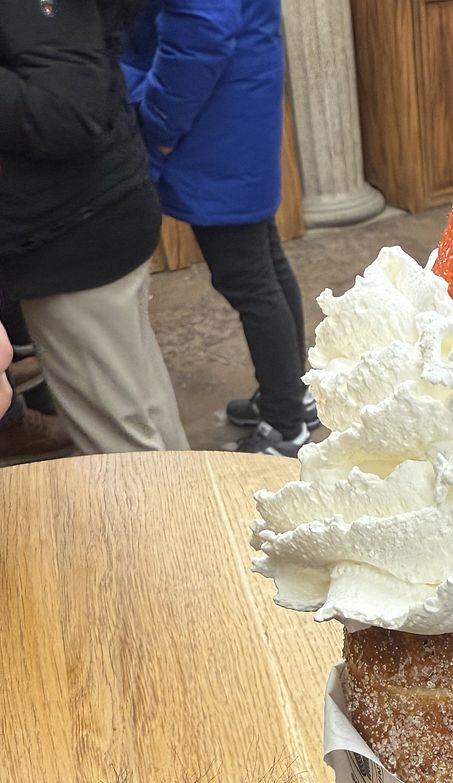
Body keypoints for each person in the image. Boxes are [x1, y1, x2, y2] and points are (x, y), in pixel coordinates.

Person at [123, 0, 318, 460]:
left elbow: (201, 32)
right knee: (264, 263)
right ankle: (291, 395)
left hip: (212, 119)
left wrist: (158, 123)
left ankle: (286, 425)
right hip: (234, 104)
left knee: (250, 278)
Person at [0, 0, 188, 454]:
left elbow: (65, 110)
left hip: (68, 234)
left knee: (120, 444)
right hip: (87, 217)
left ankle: (165, 505)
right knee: (144, 409)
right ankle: (190, 499)